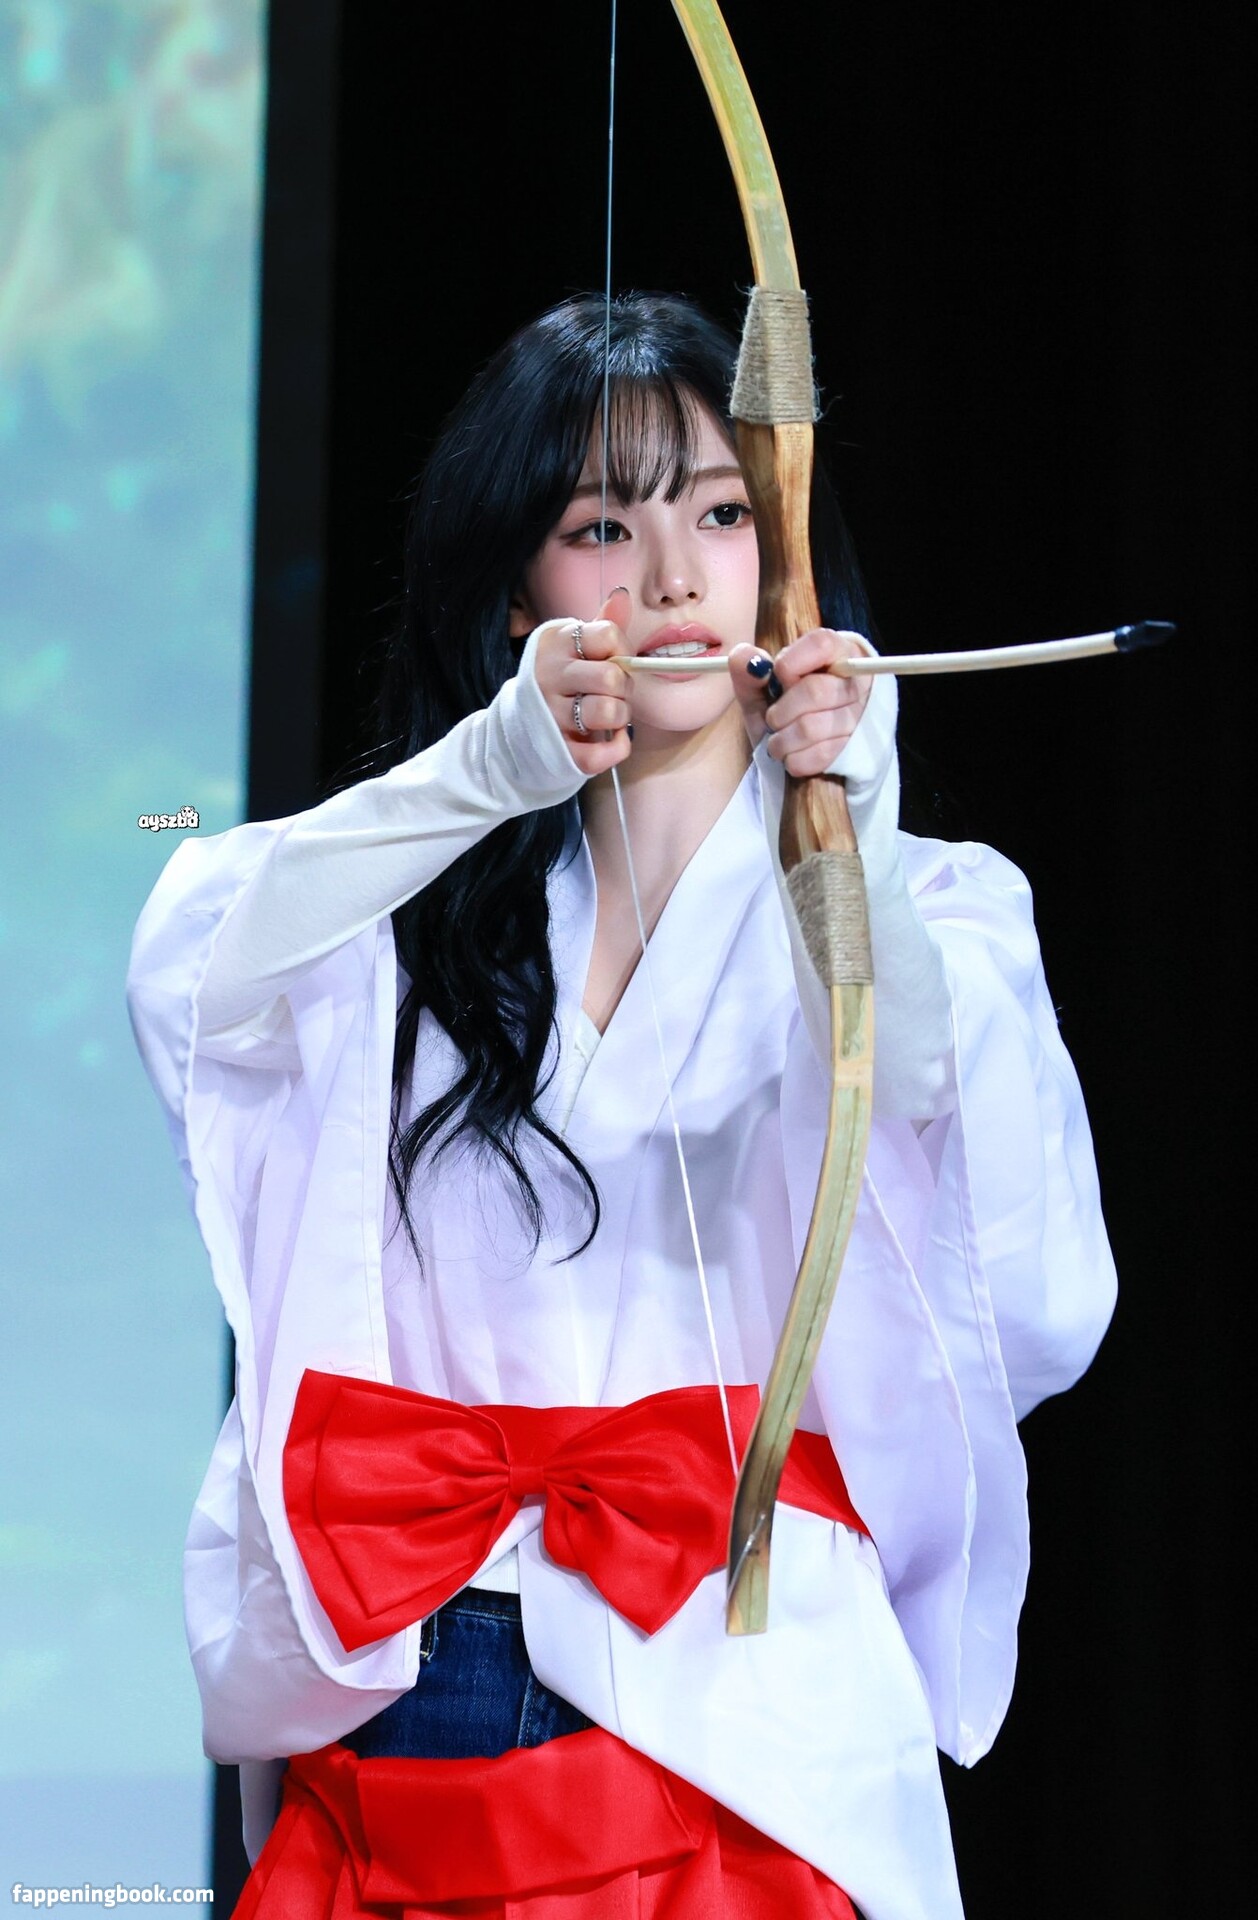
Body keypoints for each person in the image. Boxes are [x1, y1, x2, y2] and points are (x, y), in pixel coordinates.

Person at [127, 292, 1117, 1920]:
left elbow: (996, 1243)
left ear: (783, 564)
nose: (670, 579)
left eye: (721, 516)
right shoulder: (410, 911)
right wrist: (483, 773)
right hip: (418, 1696)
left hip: (742, 1709)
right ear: (517, 588)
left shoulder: (940, 904)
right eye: (602, 528)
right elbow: (196, 970)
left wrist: (852, 843)